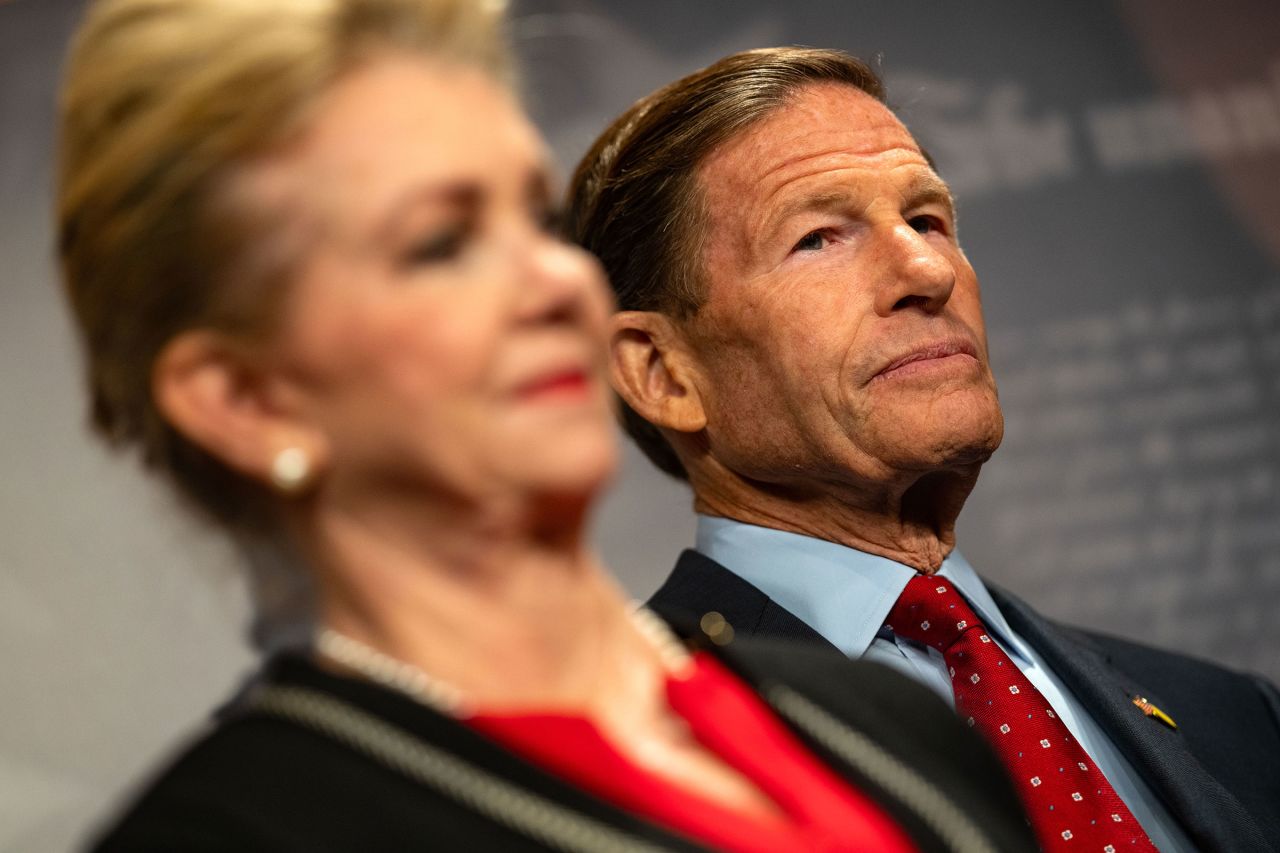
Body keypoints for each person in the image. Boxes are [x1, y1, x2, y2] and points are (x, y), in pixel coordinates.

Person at [59, 2, 1038, 851]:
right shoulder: (243, 831)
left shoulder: (876, 718)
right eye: (439, 245)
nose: (554, 284)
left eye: (532, 220)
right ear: (247, 398)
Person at [566, 47, 1280, 853]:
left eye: (928, 219)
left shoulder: (1239, 720)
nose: (925, 268)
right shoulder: (620, 757)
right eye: (818, 239)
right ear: (664, 373)